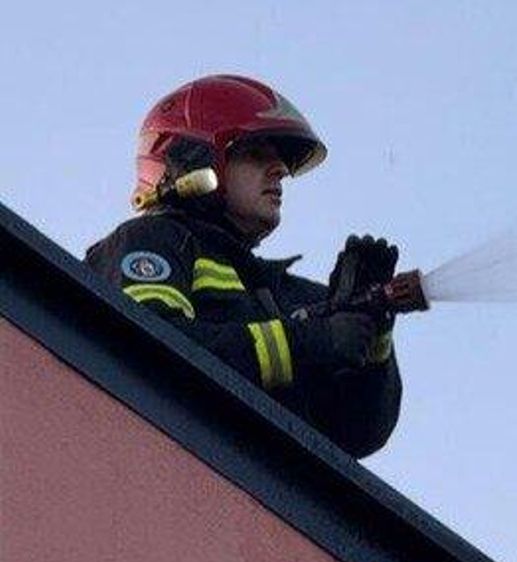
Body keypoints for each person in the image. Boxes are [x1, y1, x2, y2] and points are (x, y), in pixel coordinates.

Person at [86, 75, 401, 458]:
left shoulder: (289, 295)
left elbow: (358, 433)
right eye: (255, 154)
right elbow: (153, 348)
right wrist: (309, 342)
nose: (279, 171)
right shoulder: (153, 242)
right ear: (196, 160)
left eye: (282, 162)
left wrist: (371, 334)